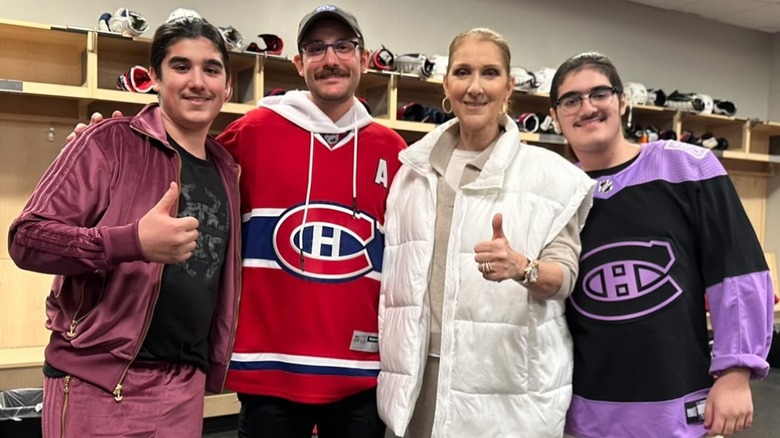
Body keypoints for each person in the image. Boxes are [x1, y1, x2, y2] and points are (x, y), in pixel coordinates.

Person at [8, 17, 240, 437]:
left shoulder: (228, 169)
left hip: (185, 390)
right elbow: (27, 238)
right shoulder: (108, 142)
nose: (197, 82)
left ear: (227, 86)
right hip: (99, 385)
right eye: (181, 66)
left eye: (211, 69)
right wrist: (131, 242)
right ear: (154, 77)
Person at [377, 28, 596, 438]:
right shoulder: (412, 172)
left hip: (503, 389)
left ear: (509, 86)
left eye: (490, 73)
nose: (475, 87)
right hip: (417, 378)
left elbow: (564, 278)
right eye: (463, 72)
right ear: (446, 84)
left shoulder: (550, 178)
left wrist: (522, 267)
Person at [547, 52, 775, 438]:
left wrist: (736, 371)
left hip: (677, 407)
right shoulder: (555, 191)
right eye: (571, 100)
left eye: (599, 94)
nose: (586, 107)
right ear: (555, 116)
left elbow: (737, 270)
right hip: (583, 411)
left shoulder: (687, 168)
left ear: (622, 102)